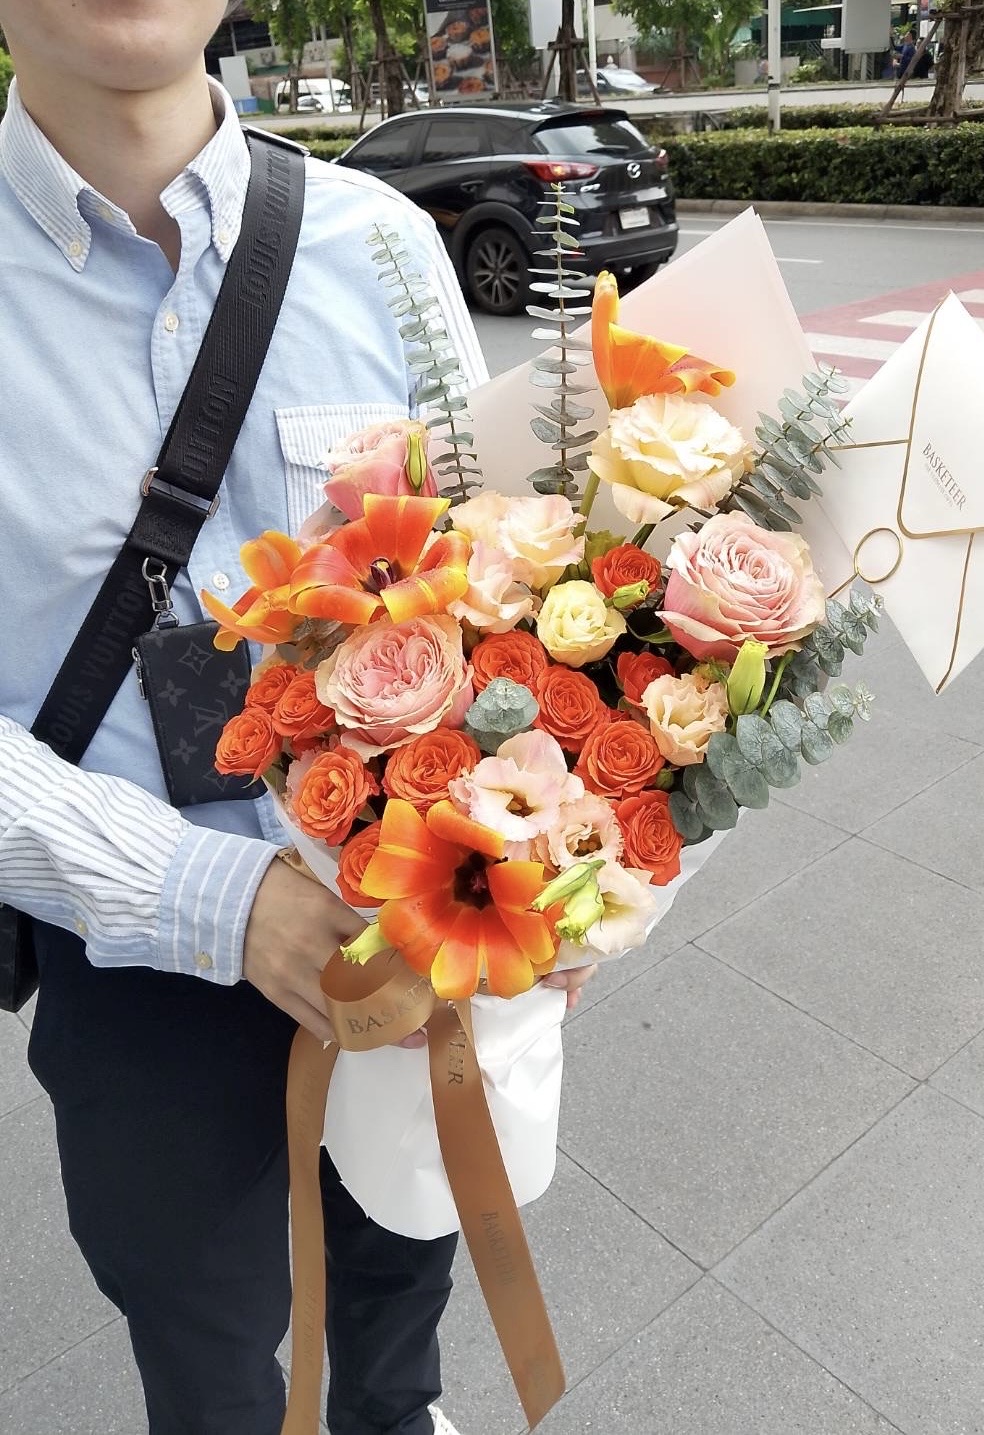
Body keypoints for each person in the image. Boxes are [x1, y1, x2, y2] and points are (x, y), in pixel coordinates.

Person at [0, 3, 594, 1433]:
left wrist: (564, 851)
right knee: (204, 1351)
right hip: (131, 959)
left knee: (401, 1282)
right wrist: (222, 898)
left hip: (406, 924)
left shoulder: (382, 246)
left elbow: (505, 563)